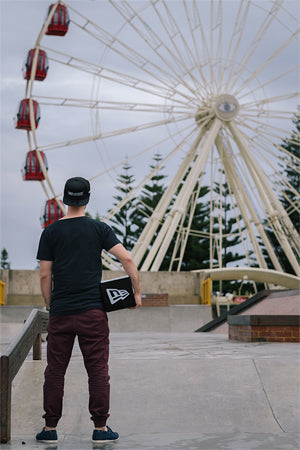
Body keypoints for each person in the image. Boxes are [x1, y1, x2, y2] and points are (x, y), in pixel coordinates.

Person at [35, 176, 142, 444]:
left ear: (64, 198)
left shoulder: (50, 232)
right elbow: (127, 258)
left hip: (61, 312)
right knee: (97, 370)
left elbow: (44, 276)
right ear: (87, 198)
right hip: (92, 313)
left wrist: (51, 304)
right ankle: (101, 429)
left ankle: (49, 429)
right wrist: (136, 293)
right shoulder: (98, 229)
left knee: (55, 371)